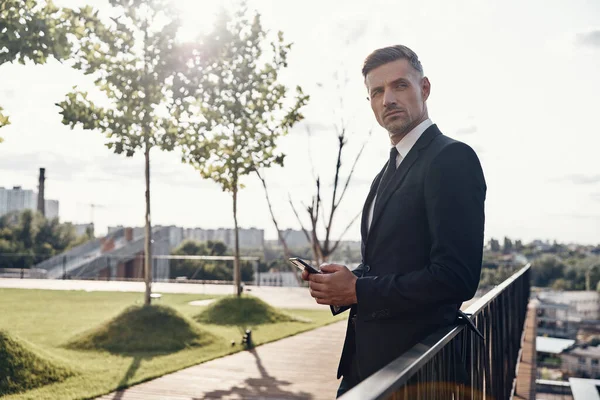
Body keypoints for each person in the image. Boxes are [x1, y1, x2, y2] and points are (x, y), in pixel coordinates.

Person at [302, 44, 487, 397]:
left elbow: (456, 278)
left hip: (418, 371)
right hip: (367, 365)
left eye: (399, 85)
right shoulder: (386, 171)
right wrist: (341, 283)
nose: (388, 99)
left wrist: (359, 290)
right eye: (377, 91)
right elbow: (388, 264)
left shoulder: (451, 158)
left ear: (425, 88)